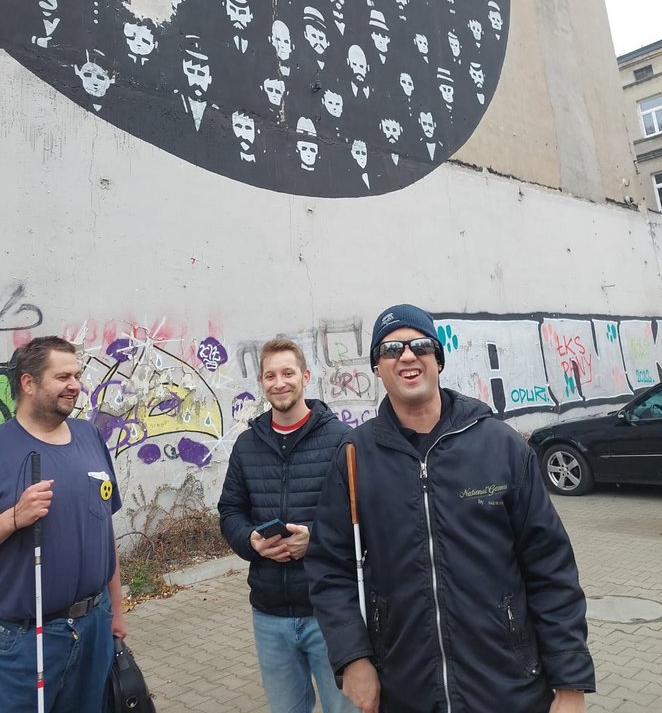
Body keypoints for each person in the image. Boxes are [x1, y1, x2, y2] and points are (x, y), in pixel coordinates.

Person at [304, 305, 596, 713]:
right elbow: (329, 568)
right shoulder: (354, 457)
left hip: (509, 687)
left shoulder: (501, 446)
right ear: (376, 367)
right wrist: (353, 658)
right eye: (391, 349)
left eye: (421, 345)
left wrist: (570, 681)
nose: (407, 356)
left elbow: (550, 566)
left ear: (438, 360)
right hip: (405, 690)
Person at [0, 336, 126, 713]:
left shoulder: (90, 437)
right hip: (21, 641)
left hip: (94, 626)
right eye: (62, 376)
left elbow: (104, 529)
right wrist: (13, 518)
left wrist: (115, 609)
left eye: (78, 375)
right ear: (29, 383)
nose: (75, 385)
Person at [218, 338, 354, 713]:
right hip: (269, 614)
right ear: (261, 381)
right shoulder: (247, 446)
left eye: (288, 373)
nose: (280, 383)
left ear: (305, 376)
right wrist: (252, 541)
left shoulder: (341, 440)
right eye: (270, 375)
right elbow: (230, 510)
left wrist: (316, 539)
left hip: (329, 611)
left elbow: (361, 518)